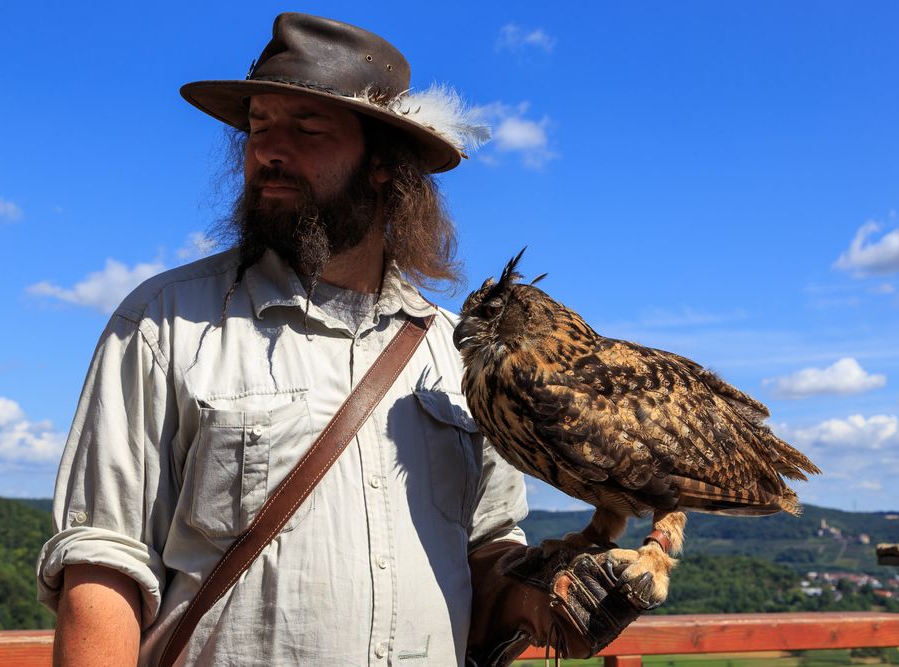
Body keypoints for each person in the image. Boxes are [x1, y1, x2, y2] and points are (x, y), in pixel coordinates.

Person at [37, 13, 656, 666]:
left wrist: (547, 597)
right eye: (259, 126)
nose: (269, 150)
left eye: (307, 128)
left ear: (384, 164)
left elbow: (487, 552)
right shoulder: (166, 323)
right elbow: (102, 563)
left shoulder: (460, 358)